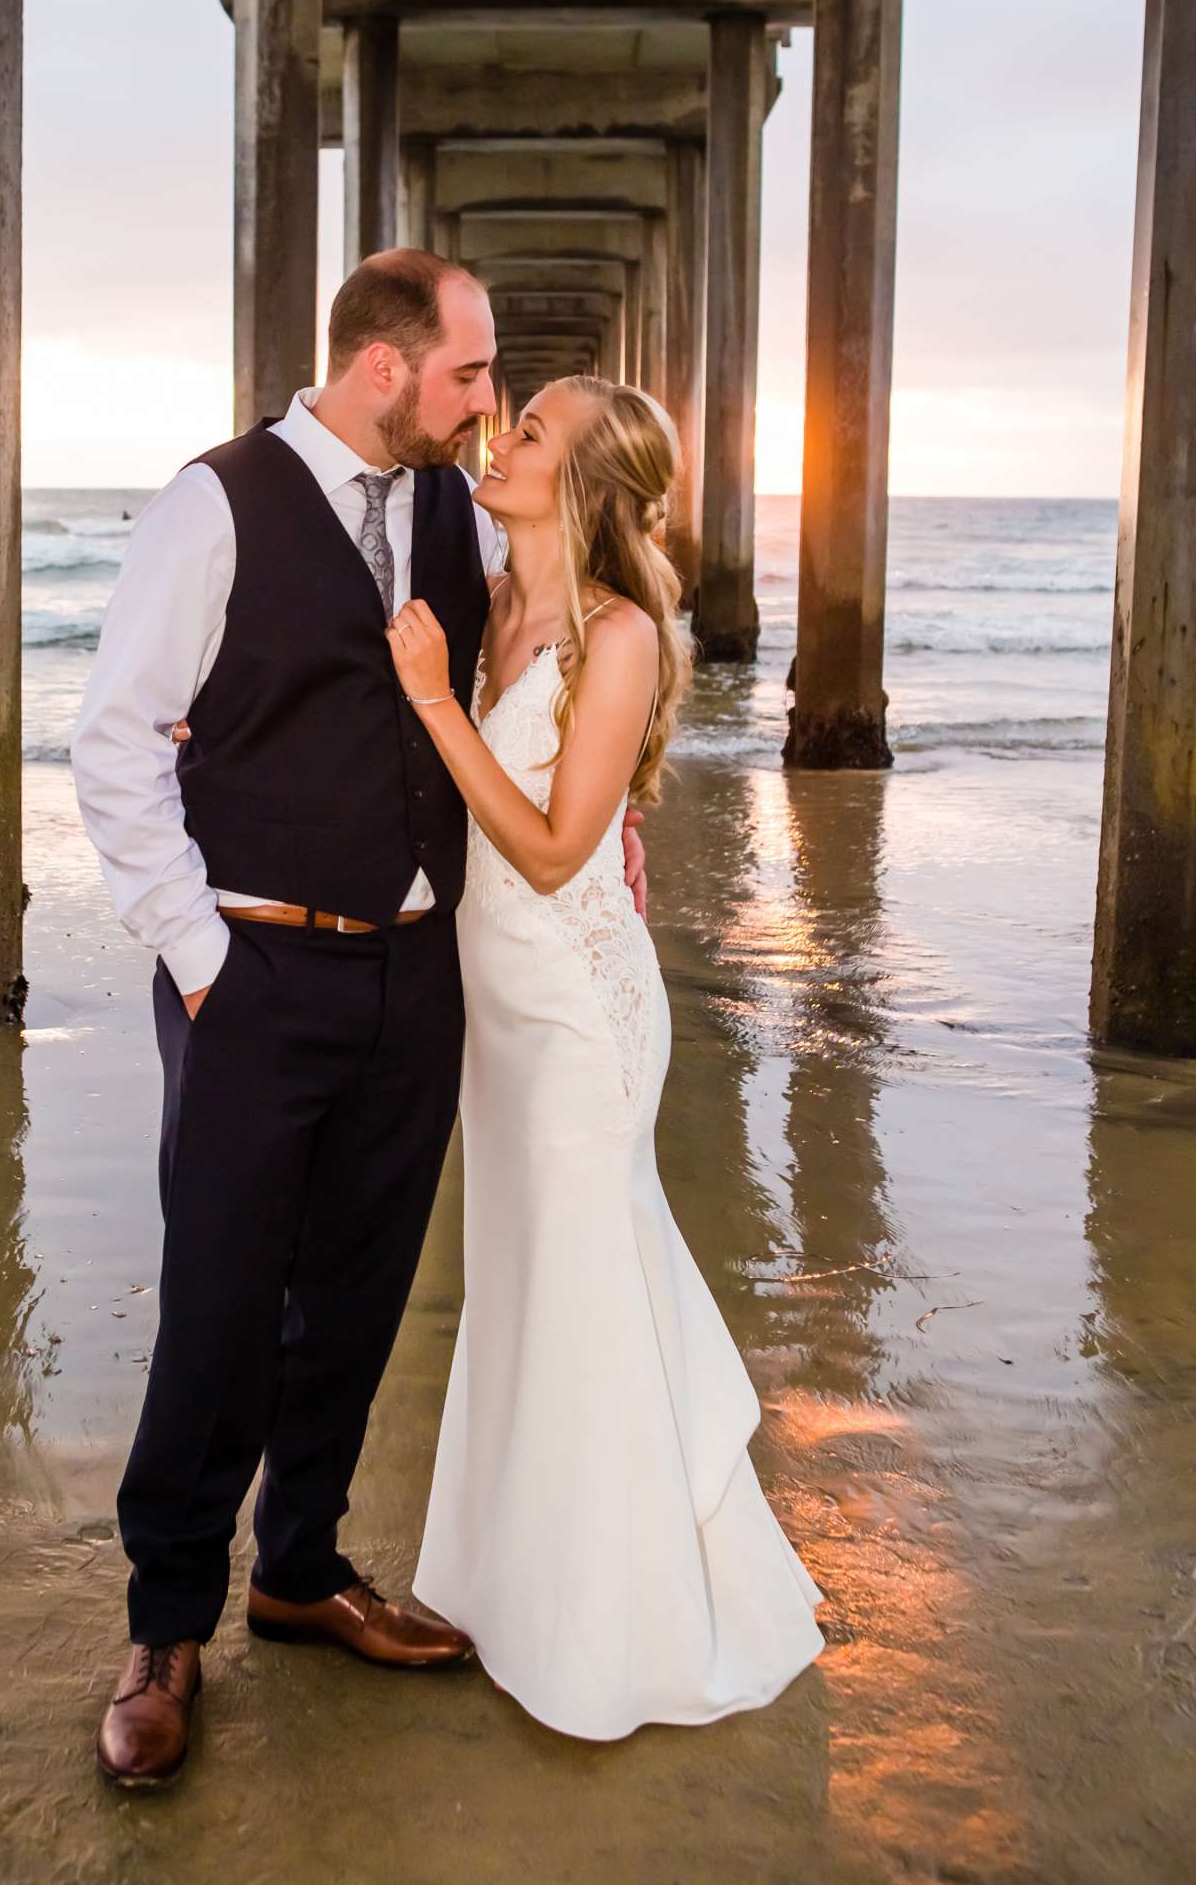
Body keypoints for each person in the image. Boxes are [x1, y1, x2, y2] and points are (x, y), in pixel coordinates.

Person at [71, 252, 646, 1788]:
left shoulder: (465, 512)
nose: (488, 403)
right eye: (471, 375)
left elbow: (571, 647)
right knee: (219, 1304)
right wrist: (202, 959)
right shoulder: (217, 501)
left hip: (415, 975)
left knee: (357, 1294)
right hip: (252, 975)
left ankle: (302, 1566)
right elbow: (115, 741)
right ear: (387, 367)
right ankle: (166, 1620)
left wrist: (611, 801)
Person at [387, 374, 827, 1741]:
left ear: (581, 483)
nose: (495, 440)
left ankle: (611, 1625)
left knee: (583, 1285)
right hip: (498, 1012)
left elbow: (557, 845)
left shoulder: (620, 636)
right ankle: (510, 1580)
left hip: (580, 1015)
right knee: (521, 1285)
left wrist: (433, 704)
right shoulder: (488, 598)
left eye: (526, 433)